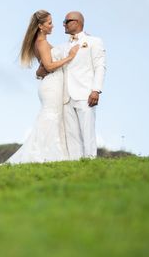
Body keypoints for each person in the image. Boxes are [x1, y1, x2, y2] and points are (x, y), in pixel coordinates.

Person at [5, 10, 79, 164]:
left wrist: (39, 72)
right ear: (40, 26)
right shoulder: (42, 43)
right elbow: (49, 66)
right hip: (51, 85)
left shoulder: (39, 42)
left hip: (50, 84)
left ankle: (54, 154)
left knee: (53, 118)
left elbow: (42, 68)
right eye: (49, 23)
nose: (53, 26)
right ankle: (47, 155)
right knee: (51, 118)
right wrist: (70, 57)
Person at [37, 11, 106, 159]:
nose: (63, 24)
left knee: (87, 131)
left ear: (77, 22)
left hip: (85, 94)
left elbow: (100, 66)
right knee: (71, 134)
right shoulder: (62, 47)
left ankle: (90, 161)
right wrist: (40, 70)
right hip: (65, 96)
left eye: (66, 21)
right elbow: (47, 60)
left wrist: (96, 90)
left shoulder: (94, 41)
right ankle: (76, 163)